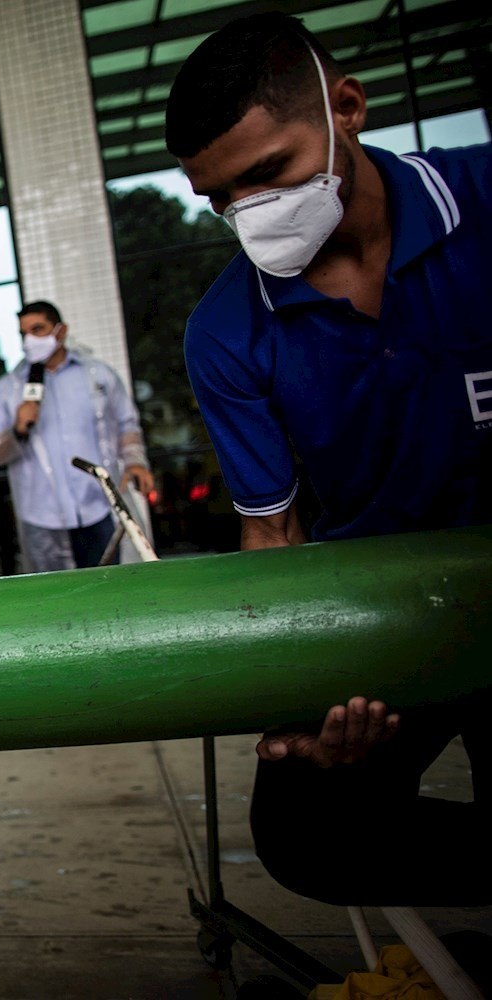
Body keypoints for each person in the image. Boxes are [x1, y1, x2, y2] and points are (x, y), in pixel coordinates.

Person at [167, 12, 492, 903]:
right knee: (307, 834)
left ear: (346, 106)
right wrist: (296, 699)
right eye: (221, 198)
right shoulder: (229, 332)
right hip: (376, 618)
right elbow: (274, 535)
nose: (251, 213)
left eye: (268, 173)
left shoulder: (488, 209)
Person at [0, 301, 154, 573]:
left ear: (61, 331)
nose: (30, 341)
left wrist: (135, 461)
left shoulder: (98, 376)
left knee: (115, 589)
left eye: (38, 330)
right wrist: (18, 430)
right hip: (42, 518)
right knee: (61, 603)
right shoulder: (8, 390)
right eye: (24, 334)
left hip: (100, 506)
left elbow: (127, 425)